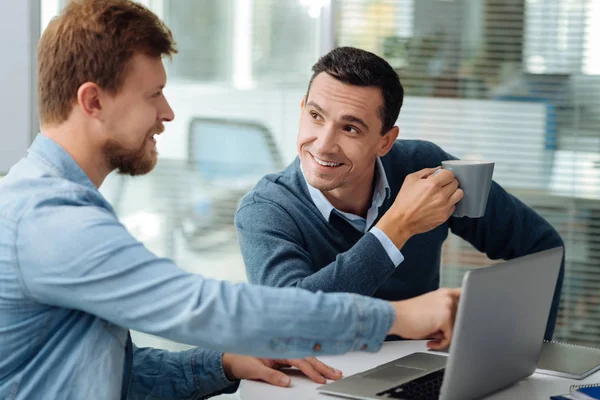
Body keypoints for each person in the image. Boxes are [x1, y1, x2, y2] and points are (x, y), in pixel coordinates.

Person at [0, 2, 462, 399]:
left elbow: (112, 376)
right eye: (154, 94)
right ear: (93, 101)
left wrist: (223, 363)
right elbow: (209, 308)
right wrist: (398, 316)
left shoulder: (55, 204)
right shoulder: (49, 221)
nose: (168, 113)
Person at [235, 46, 565, 341]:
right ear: (302, 108)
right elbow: (290, 319)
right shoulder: (266, 209)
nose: (323, 143)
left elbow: (541, 248)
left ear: (385, 141)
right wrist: (398, 226)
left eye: (350, 128)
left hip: (417, 373)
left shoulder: (423, 167)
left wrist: (528, 353)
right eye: (316, 116)